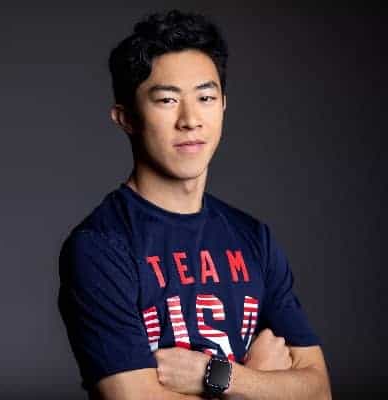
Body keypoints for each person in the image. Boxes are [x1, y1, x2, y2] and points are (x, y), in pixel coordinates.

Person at [58, 9, 332, 400]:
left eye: (205, 98)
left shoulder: (254, 238)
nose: (190, 120)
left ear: (223, 105)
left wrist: (220, 376)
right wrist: (260, 382)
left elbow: (318, 390)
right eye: (167, 100)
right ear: (126, 118)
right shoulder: (100, 247)